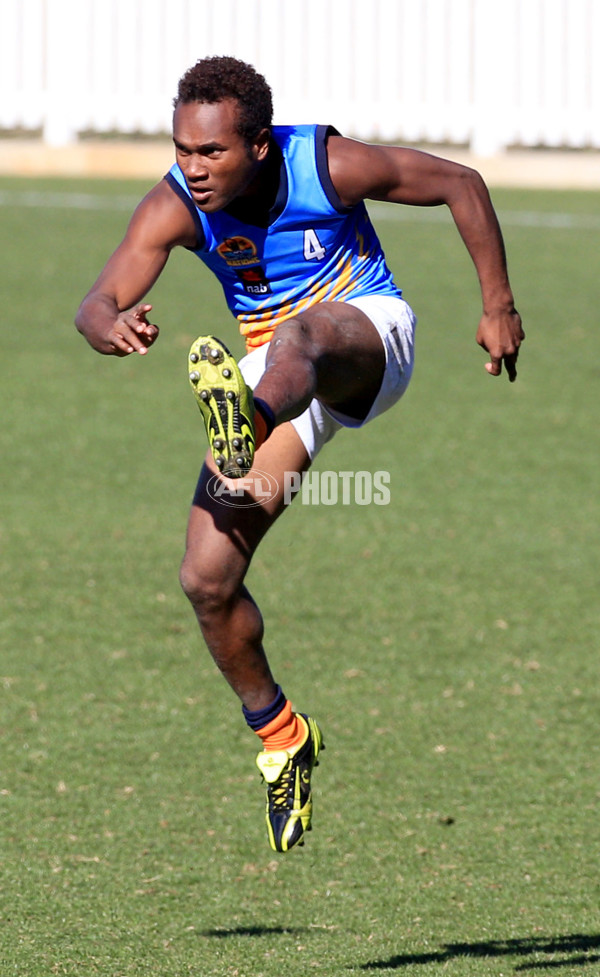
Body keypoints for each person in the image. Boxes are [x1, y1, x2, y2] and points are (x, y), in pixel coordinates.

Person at [75, 55, 524, 853]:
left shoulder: (326, 163)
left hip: (364, 336)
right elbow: (98, 296)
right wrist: (105, 323)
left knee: (302, 332)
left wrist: (497, 305)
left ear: (258, 146)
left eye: (211, 152)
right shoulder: (176, 203)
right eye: (181, 148)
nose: (192, 167)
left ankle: (242, 418)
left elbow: (463, 183)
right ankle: (284, 737)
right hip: (275, 382)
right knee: (206, 579)